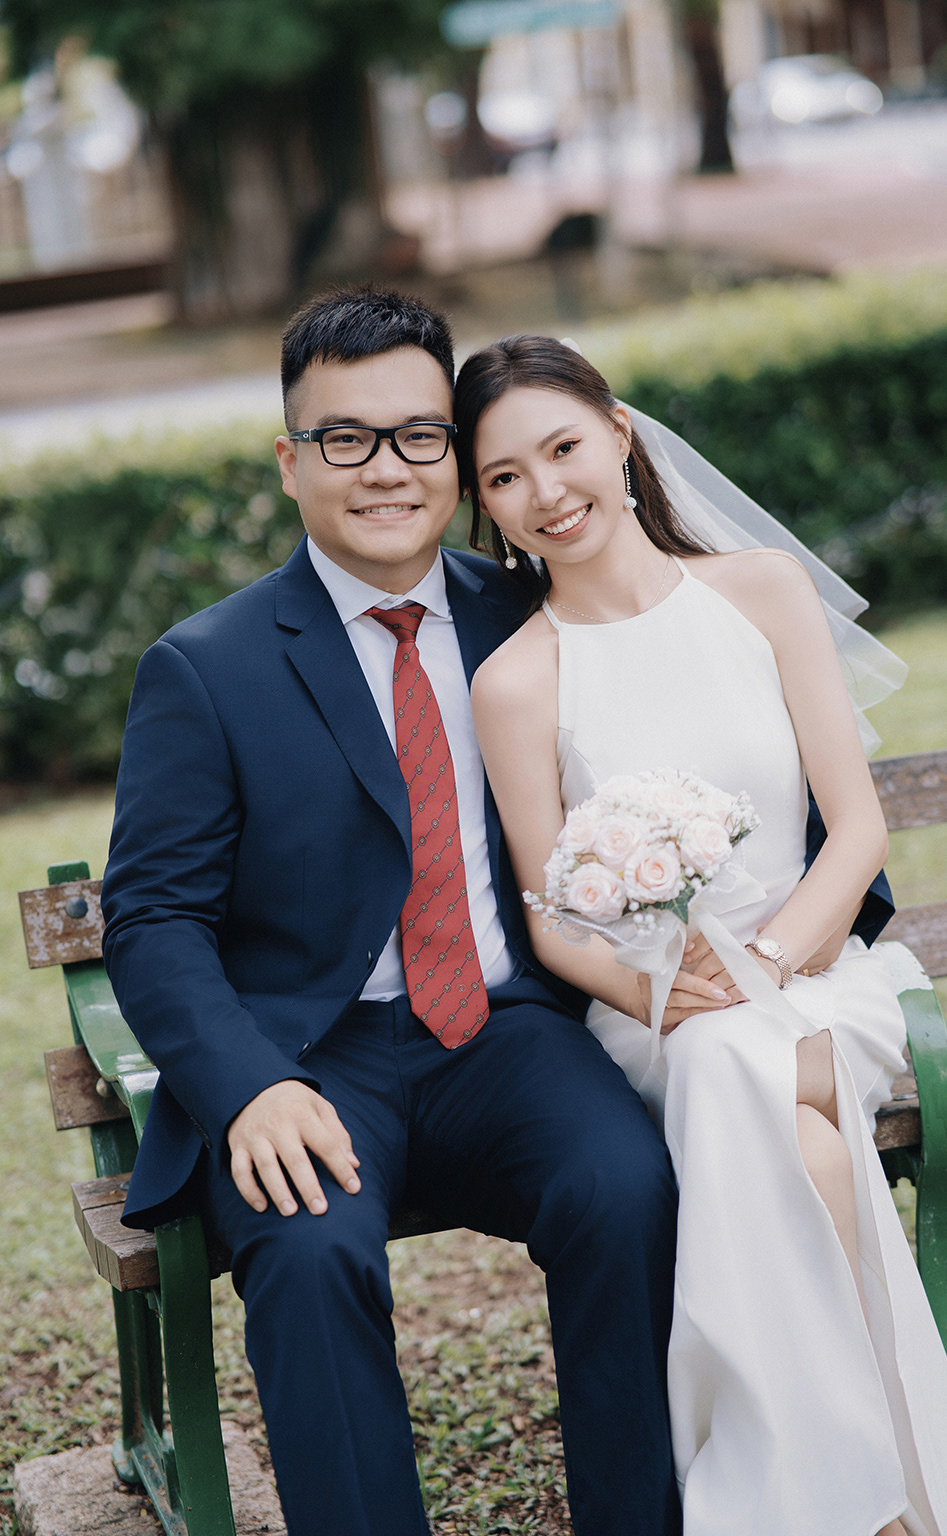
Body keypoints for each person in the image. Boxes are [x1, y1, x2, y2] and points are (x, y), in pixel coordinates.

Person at [100, 285, 882, 1536]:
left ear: (454, 462)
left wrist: (775, 926)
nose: (387, 468)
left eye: (418, 436)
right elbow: (150, 921)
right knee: (308, 1246)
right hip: (311, 1056)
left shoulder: (526, 612)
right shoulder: (209, 665)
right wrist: (247, 1088)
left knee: (623, 1187)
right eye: (345, 439)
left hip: (507, 1034)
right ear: (292, 462)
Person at [457, 333, 947, 1536]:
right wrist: (664, 992)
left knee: (745, 1077)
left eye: (562, 448)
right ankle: (886, 1502)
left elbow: (856, 829)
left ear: (618, 434)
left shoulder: (759, 590)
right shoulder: (514, 681)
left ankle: (804, 1503)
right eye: (504, 476)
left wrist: (764, 967)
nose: (545, 492)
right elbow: (553, 923)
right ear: (486, 504)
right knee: (792, 1132)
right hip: (656, 1014)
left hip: (820, 972)